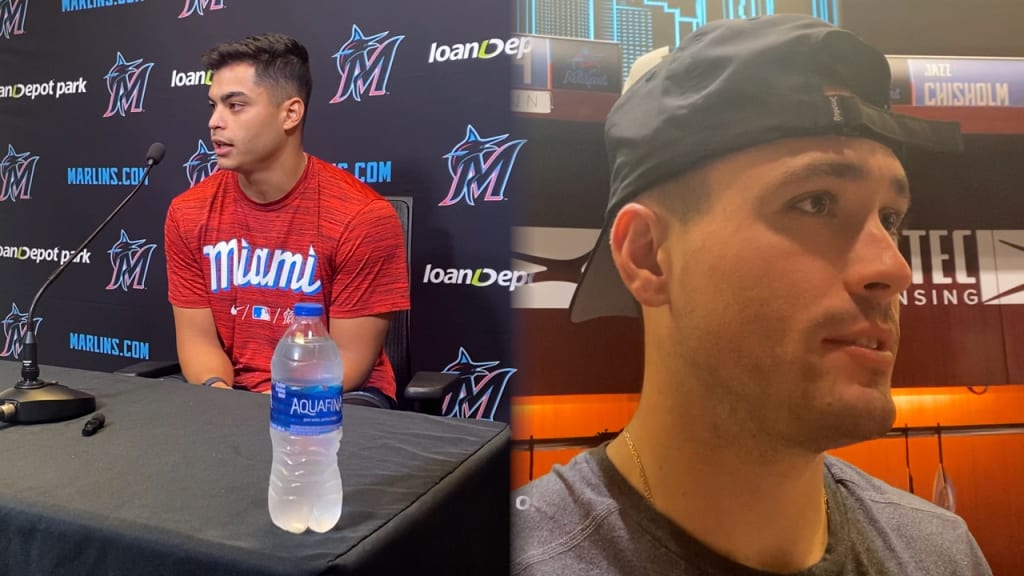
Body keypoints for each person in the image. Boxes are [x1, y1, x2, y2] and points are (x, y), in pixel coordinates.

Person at [512, 14, 992, 575]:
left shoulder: (941, 554)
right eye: (815, 202)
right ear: (647, 255)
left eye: (891, 218)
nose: (894, 267)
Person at [164, 33, 408, 407]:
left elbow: (350, 360)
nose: (215, 122)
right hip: (231, 400)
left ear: (290, 113)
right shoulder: (188, 212)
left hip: (338, 398)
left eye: (236, 106)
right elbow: (197, 341)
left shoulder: (362, 217)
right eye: (213, 105)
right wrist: (222, 399)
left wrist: (270, 404)